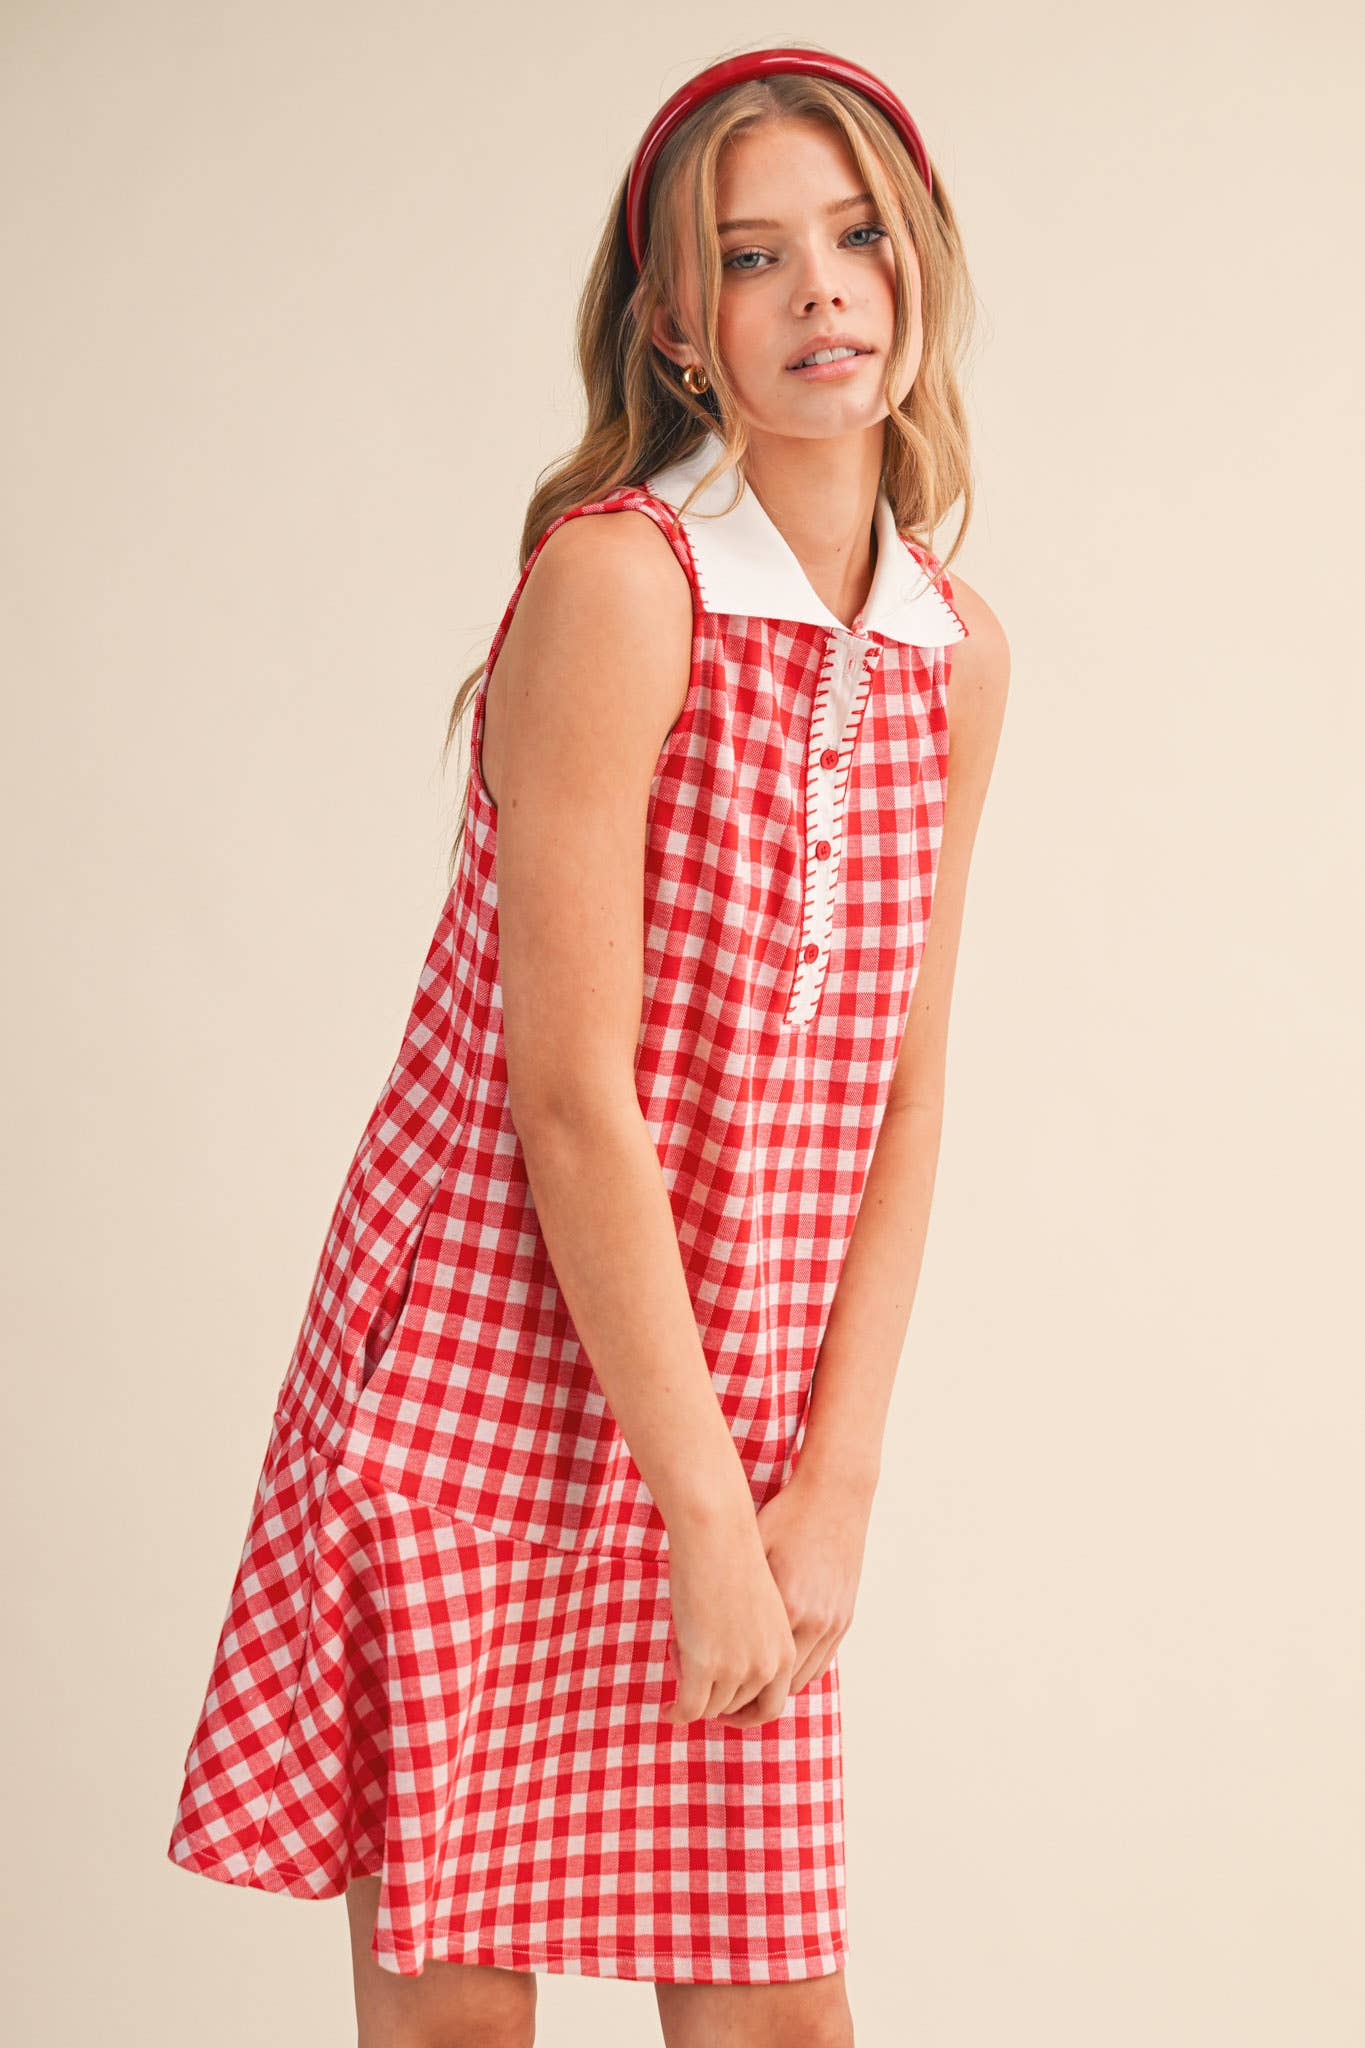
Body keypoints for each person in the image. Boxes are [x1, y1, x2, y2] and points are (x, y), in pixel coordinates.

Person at [166, 41, 1010, 2048]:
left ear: (912, 272)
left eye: (852, 238)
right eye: (749, 255)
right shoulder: (616, 586)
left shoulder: (951, 656)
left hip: (733, 1408)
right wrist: (701, 1515)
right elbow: (566, 1097)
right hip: (485, 1378)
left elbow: (904, 1087)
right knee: (463, 2022)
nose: (817, 290)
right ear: (674, 324)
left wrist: (829, 1490)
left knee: (770, 2018)